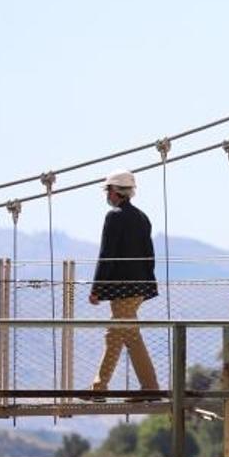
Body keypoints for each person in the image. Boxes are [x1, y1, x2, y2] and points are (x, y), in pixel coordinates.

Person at [86, 170, 160, 401]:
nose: (106, 194)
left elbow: (107, 254)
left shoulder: (114, 216)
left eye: (108, 189)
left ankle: (104, 389)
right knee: (124, 335)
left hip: (122, 289)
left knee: (120, 335)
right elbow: (149, 254)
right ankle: (144, 389)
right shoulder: (142, 217)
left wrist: (97, 287)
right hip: (138, 287)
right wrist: (148, 284)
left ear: (116, 191)